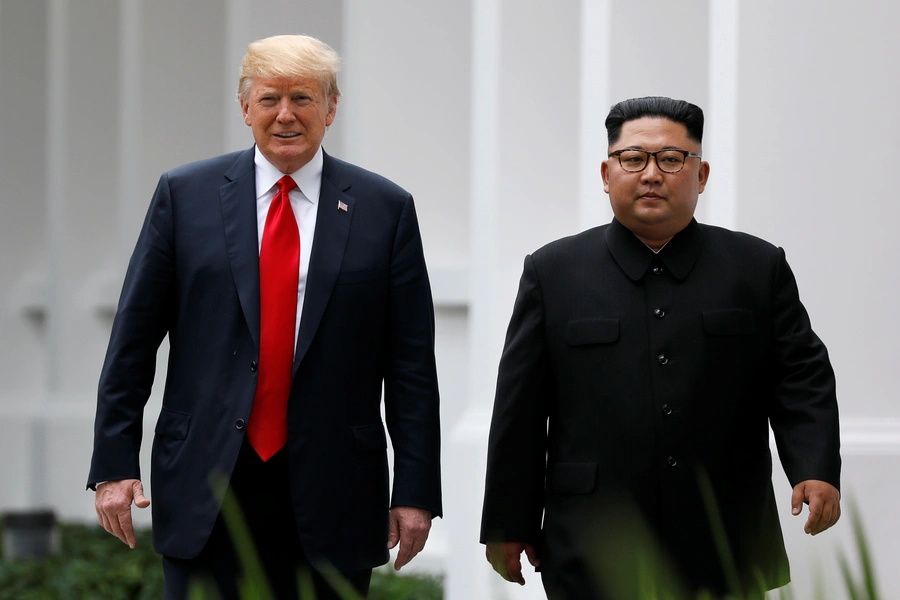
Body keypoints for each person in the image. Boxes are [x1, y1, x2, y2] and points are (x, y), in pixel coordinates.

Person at [87, 34, 442, 600]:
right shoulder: (185, 195)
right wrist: (113, 464)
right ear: (244, 105)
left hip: (335, 484)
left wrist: (416, 490)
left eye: (303, 98)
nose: (286, 115)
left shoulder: (385, 208)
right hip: (206, 477)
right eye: (270, 98)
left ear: (331, 107)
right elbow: (131, 339)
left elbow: (411, 367)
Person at [480, 96, 840, 599]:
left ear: (702, 174)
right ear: (607, 173)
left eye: (671, 159)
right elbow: (519, 408)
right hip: (592, 537)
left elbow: (801, 375)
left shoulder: (756, 268)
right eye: (633, 159)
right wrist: (507, 520)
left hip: (724, 538)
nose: (651, 174)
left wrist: (815, 469)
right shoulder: (553, 272)